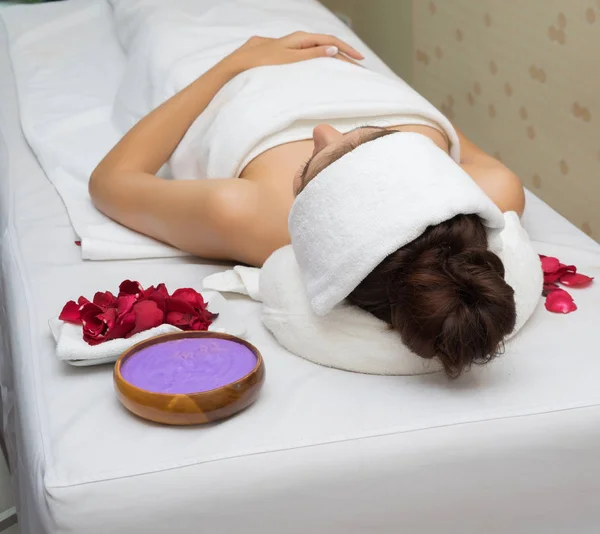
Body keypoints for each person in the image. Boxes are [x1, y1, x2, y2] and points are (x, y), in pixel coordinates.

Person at [90, 33, 525, 377]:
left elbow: (110, 182)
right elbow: (439, 126)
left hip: (219, 54)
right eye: (376, 132)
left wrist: (234, 63)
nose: (324, 129)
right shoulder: (492, 191)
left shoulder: (251, 215)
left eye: (308, 167)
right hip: (342, 56)